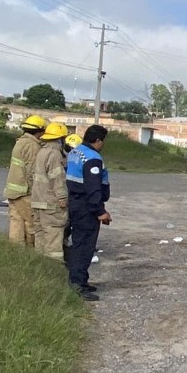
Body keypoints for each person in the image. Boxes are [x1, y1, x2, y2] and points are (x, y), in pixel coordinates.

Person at [66, 125, 111, 301]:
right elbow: (93, 188)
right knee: (84, 247)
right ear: (98, 140)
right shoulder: (92, 158)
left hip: (76, 203)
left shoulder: (76, 152)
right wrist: (100, 211)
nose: (103, 145)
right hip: (86, 207)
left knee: (79, 243)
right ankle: (77, 285)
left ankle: (81, 281)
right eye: (103, 141)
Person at [3, 115, 46, 246]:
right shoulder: (32, 146)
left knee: (16, 221)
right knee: (31, 222)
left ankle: (16, 250)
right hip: (25, 192)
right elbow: (32, 172)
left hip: (13, 190)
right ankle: (30, 250)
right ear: (40, 131)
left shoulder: (20, 142)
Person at [31, 122, 71, 259]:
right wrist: (62, 198)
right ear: (60, 139)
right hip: (51, 204)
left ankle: (40, 266)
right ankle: (54, 268)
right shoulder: (54, 154)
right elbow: (57, 178)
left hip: (38, 201)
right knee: (53, 237)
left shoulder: (41, 151)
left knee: (40, 235)